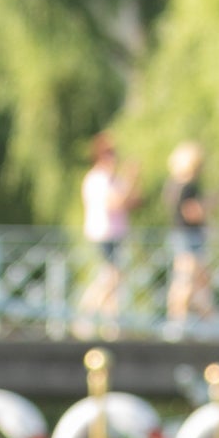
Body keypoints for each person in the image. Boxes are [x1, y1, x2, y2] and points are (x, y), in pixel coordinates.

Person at [78, 133, 138, 336]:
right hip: (102, 234)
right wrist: (130, 179)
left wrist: (132, 181)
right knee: (110, 277)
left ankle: (110, 324)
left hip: (117, 234)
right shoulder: (97, 180)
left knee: (113, 280)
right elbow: (117, 203)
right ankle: (85, 317)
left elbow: (133, 201)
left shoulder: (114, 180)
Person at [164, 141, 213, 334]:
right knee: (187, 279)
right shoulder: (188, 186)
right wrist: (211, 203)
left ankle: (200, 317)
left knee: (196, 279)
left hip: (181, 235)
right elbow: (191, 212)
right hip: (189, 237)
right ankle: (180, 319)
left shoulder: (173, 185)